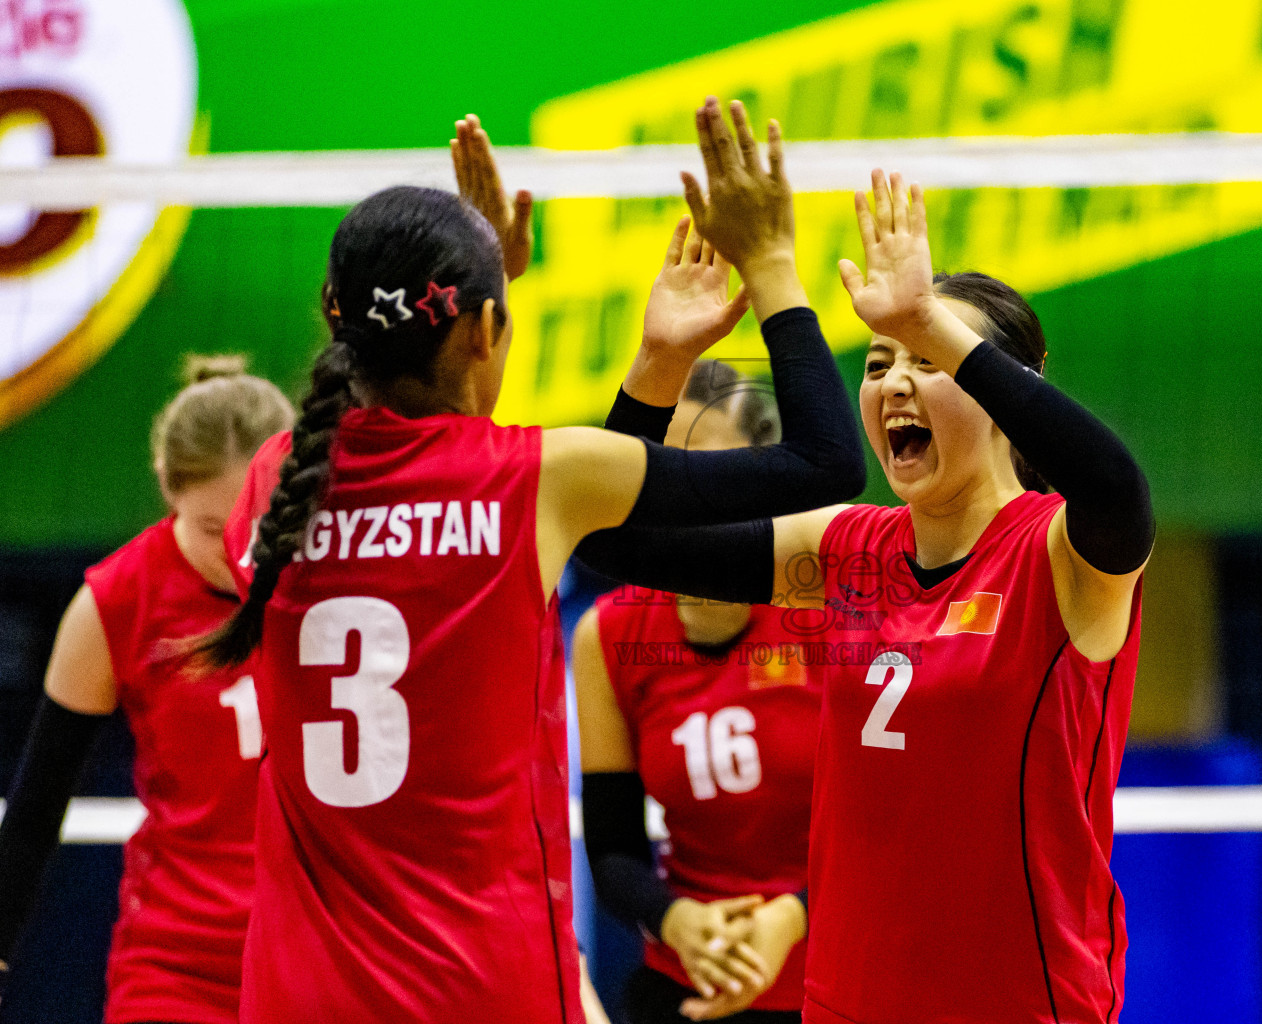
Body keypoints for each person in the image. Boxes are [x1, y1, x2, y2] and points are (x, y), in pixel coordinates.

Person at [197, 97, 863, 1023]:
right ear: (483, 332)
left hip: (298, 996)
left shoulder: (273, 484)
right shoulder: (531, 481)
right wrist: (774, 266)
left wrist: (489, 285)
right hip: (484, 987)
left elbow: (448, 464)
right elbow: (826, 464)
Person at [576, 169, 1155, 1024]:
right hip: (848, 1004)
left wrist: (929, 320)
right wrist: (663, 360)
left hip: (1021, 1006)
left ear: (1003, 390)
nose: (893, 383)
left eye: (929, 359)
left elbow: (1116, 490)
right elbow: (616, 535)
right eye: (879, 362)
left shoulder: (1058, 556)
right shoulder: (845, 548)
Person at [0, 356, 294, 1022]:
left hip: (319, 957)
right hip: (177, 969)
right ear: (167, 489)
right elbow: (37, 805)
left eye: (262, 522)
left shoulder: (344, 571)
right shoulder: (119, 599)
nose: (241, 551)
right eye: (215, 530)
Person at [575, 349, 817, 1024]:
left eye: (709, 476)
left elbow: (888, 833)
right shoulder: (609, 634)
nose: (680, 501)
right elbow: (615, 847)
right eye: (660, 476)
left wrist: (788, 920)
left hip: (828, 981)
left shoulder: (826, 610)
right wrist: (677, 920)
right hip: (685, 981)